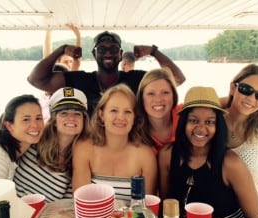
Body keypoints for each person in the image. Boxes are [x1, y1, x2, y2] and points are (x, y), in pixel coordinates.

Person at [159, 86, 258, 218]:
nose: (201, 129)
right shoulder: (167, 155)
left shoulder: (231, 163)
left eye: (209, 122)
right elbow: (167, 207)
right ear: (183, 123)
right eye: (193, 120)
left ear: (218, 126)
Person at [28, 30, 186, 116]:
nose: (108, 54)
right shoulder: (80, 80)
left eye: (114, 49)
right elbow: (36, 80)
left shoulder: (135, 79)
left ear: (121, 53)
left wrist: (153, 51)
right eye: (102, 49)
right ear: (94, 53)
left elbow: (176, 79)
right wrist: (60, 50)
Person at [72, 84, 157, 204]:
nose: (121, 117)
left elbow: (147, 208)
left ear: (134, 117)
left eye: (128, 111)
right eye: (113, 110)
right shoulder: (84, 148)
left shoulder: (146, 155)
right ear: (102, 115)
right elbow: (81, 203)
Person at [13, 87, 90, 202]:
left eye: (77, 114)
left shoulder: (80, 159)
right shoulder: (35, 139)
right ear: (54, 120)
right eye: (64, 113)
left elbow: (66, 203)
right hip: (6, 210)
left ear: (84, 120)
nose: (71, 118)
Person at [224, 64, 258, 218]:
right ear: (233, 87)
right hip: (226, 214)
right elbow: (193, 103)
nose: (252, 98)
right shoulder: (212, 123)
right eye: (246, 89)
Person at [0, 95, 44, 182]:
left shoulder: (6, 151)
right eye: (26, 119)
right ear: (9, 126)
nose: (35, 125)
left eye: (38, 118)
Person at [40, 24, 82, 122]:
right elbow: (46, 57)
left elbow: (77, 61)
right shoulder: (48, 81)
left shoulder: (70, 84)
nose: (69, 65)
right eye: (66, 62)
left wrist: (78, 36)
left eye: (70, 62)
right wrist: (48, 30)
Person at [137, 67, 181, 154]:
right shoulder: (135, 131)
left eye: (165, 92)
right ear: (141, 98)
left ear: (174, 96)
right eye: (151, 94)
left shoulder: (186, 114)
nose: (158, 99)